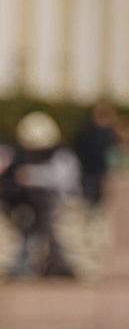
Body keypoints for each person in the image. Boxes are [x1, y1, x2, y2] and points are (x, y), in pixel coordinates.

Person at [2, 111, 78, 279]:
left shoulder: (63, 157)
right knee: (26, 233)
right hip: (33, 208)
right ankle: (27, 266)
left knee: (62, 239)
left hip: (63, 208)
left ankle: (61, 267)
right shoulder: (21, 158)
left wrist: (29, 176)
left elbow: (60, 181)